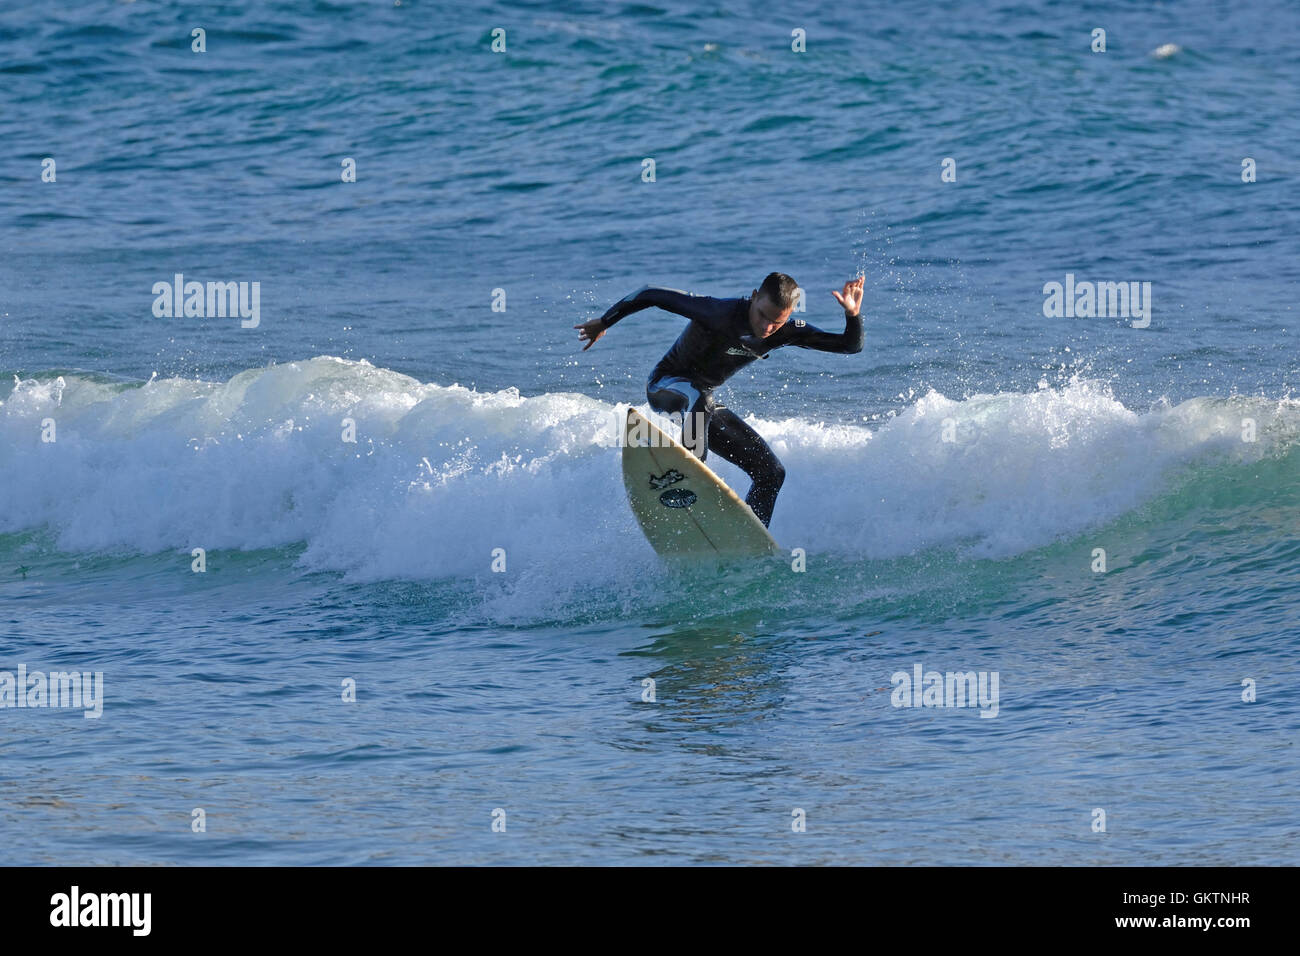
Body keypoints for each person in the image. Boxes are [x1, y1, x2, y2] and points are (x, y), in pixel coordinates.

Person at [575, 272, 864, 527]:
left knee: (771, 473)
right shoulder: (718, 312)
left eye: (777, 322)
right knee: (697, 396)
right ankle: (686, 480)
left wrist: (852, 315)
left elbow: (849, 346)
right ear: (753, 298)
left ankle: (747, 537)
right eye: (762, 315)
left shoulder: (784, 332)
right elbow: (651, 293)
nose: (766, 328)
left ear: (787, 316)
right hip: (665, 386)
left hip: (700, 406)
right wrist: (605, 321)